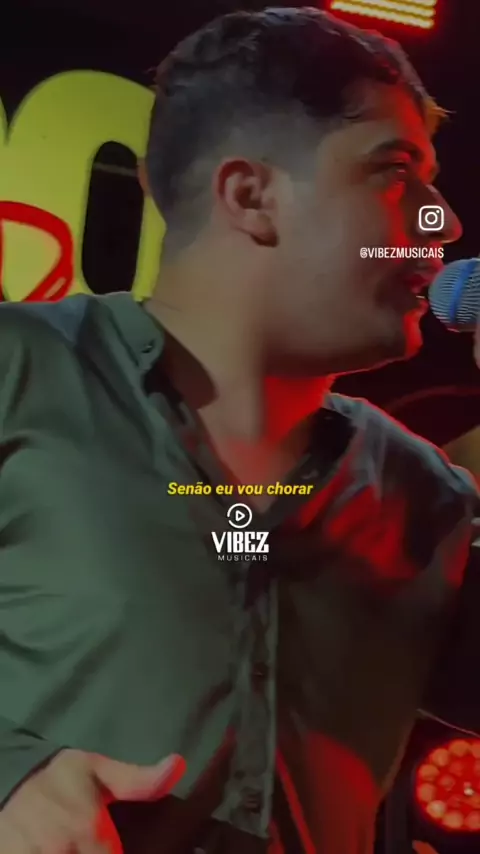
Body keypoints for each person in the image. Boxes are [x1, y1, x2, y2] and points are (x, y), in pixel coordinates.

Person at [0, 7, 478, 853]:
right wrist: (11, 779)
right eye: (395, 170)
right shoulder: (20, 374)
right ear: (251, 196)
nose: (444, 221)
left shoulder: (424, 496)